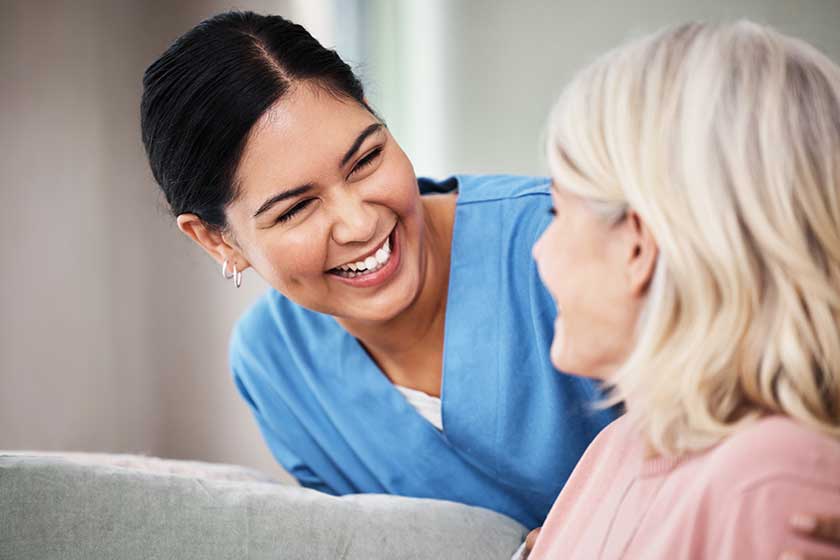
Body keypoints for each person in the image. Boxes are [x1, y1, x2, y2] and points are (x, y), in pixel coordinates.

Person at [140, 11, 617, 529]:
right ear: (216, 239)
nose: (360, 223)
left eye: (365, 160)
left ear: (372, 111)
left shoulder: (570, 236)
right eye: (296, 209)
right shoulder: (275, 367)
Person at [527, 21, 840, 559]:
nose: (538, 250)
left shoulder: (774, 484)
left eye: (556, 212)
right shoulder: (618, 447)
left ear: (638, 245)